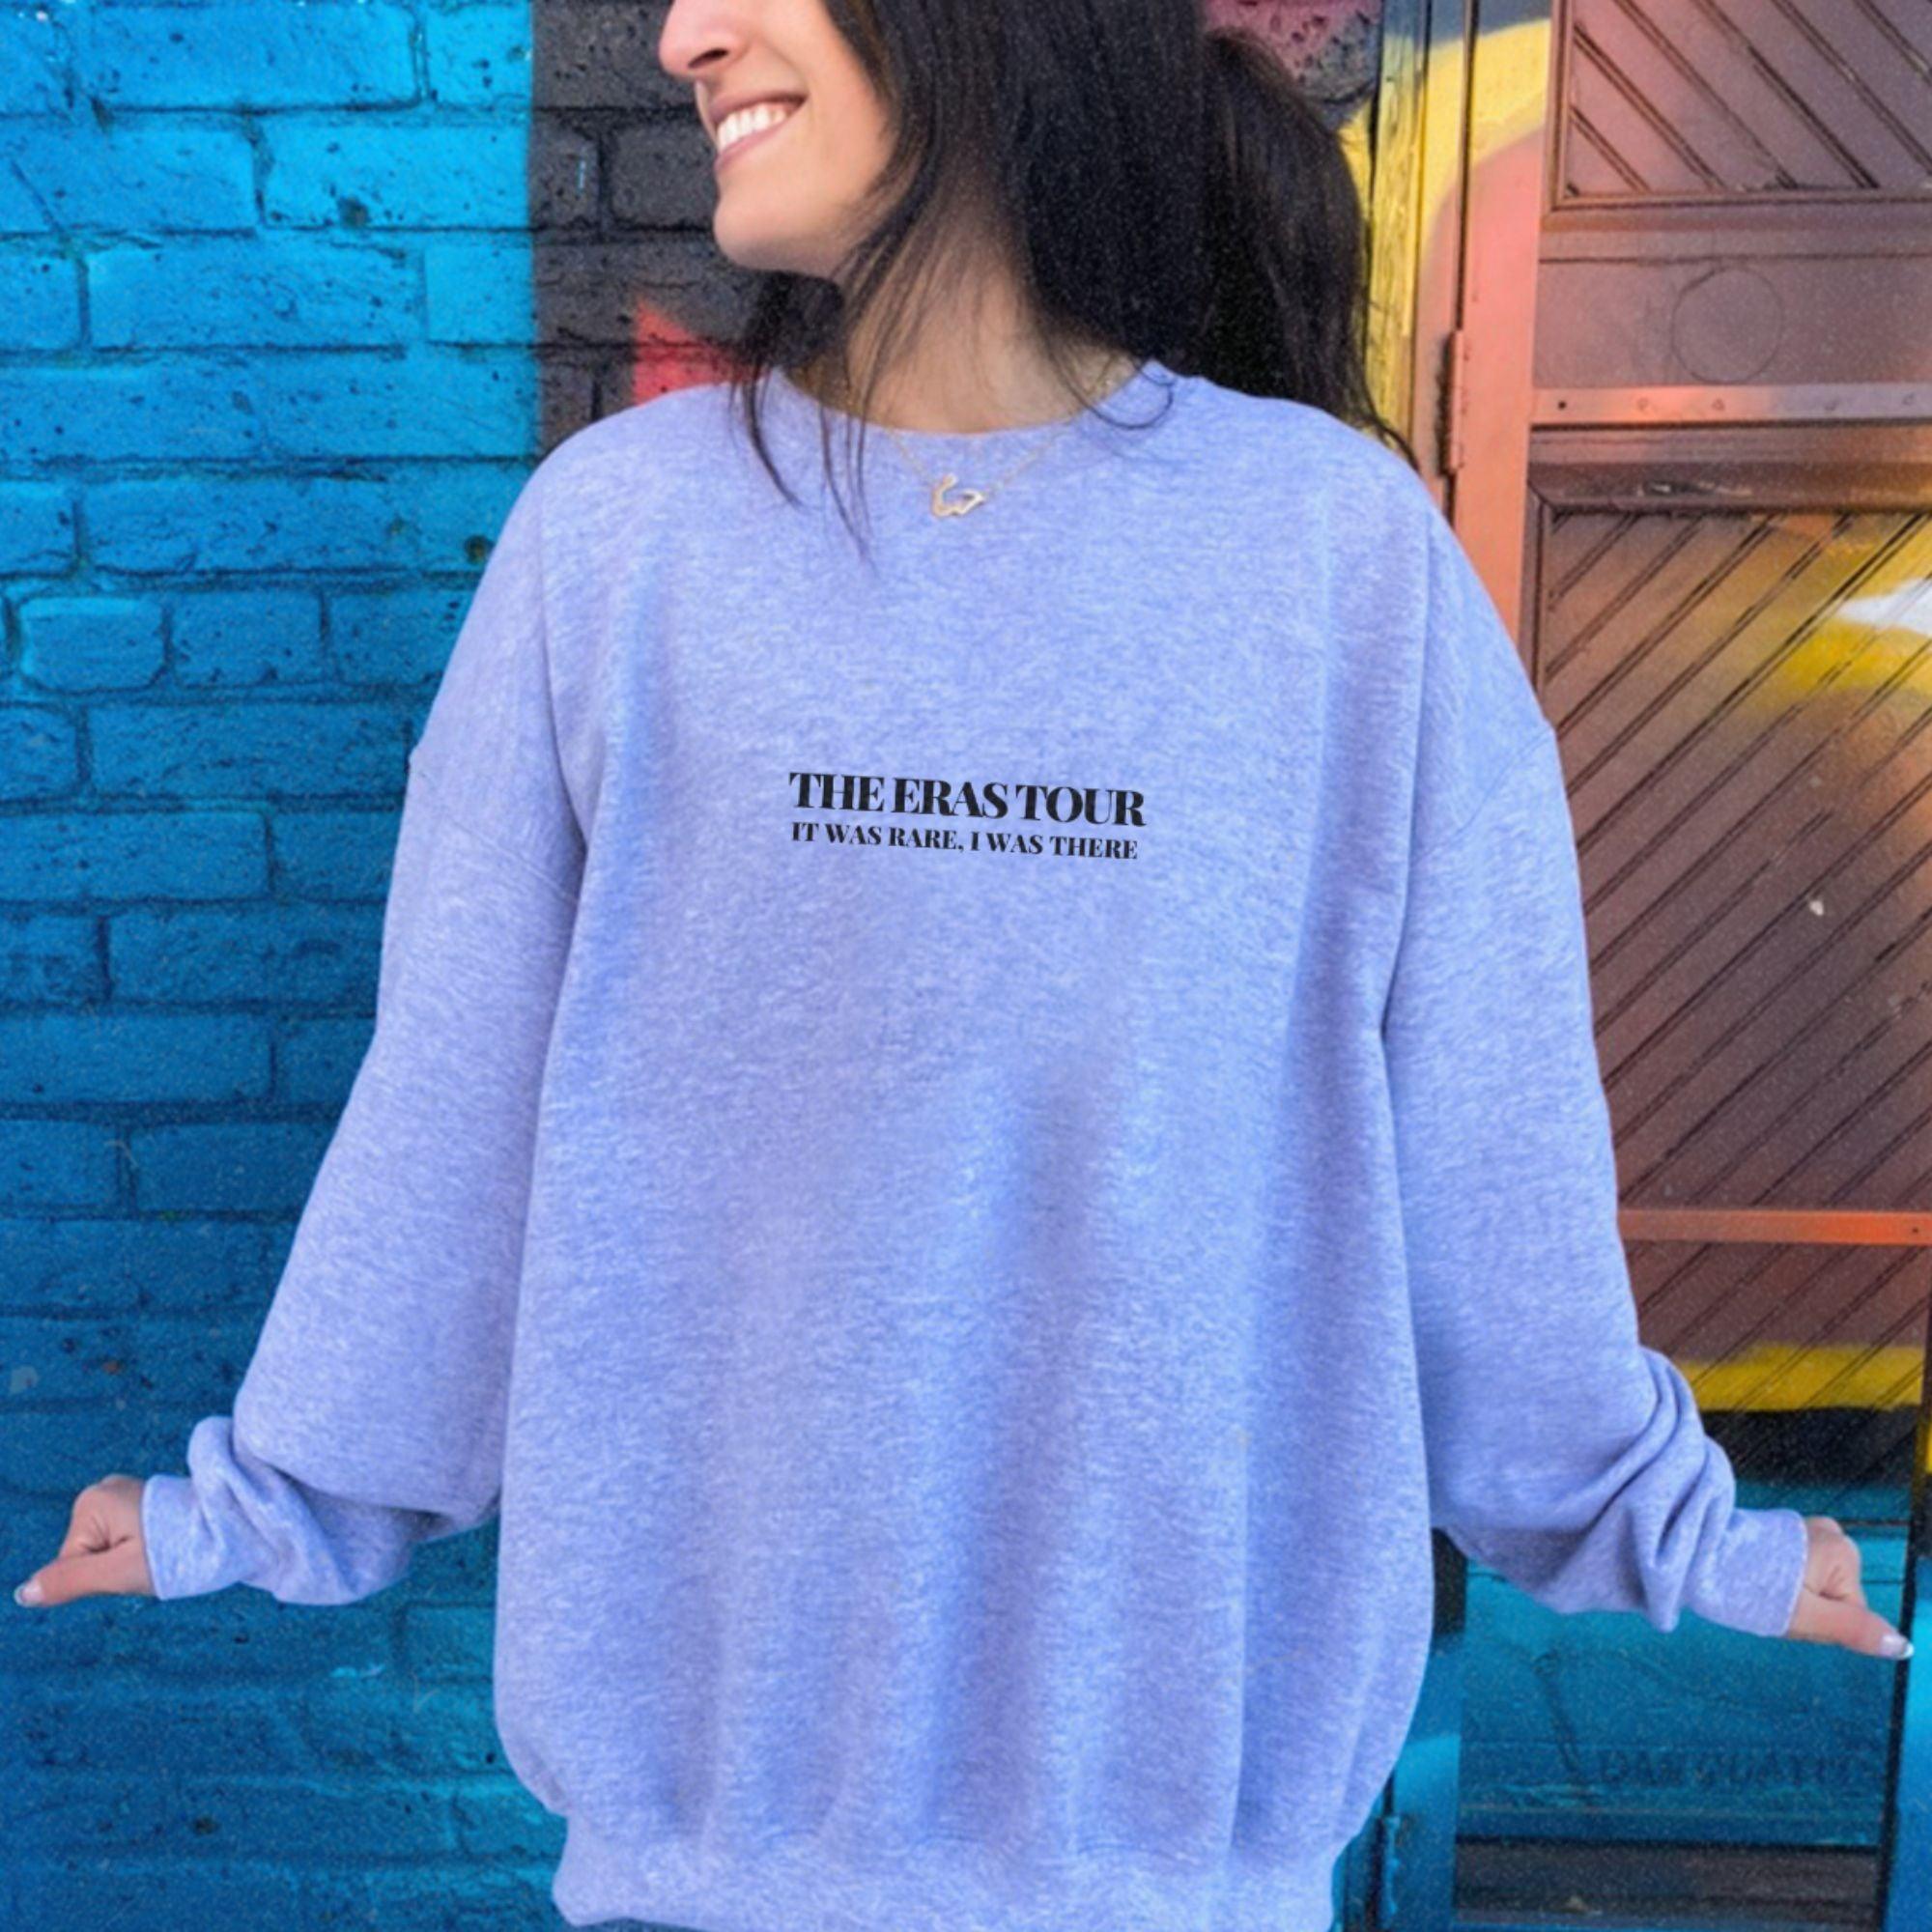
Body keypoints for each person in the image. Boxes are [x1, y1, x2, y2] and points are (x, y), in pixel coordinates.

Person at [14, 2, 1908, 1929]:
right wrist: (256, 1504)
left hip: (1187, 1886)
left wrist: (1690, 1541)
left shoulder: (1343, 570)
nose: (679, 35)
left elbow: (1492, 1175)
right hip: (698, 1883)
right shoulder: (617, 548)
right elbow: (454, 1116)